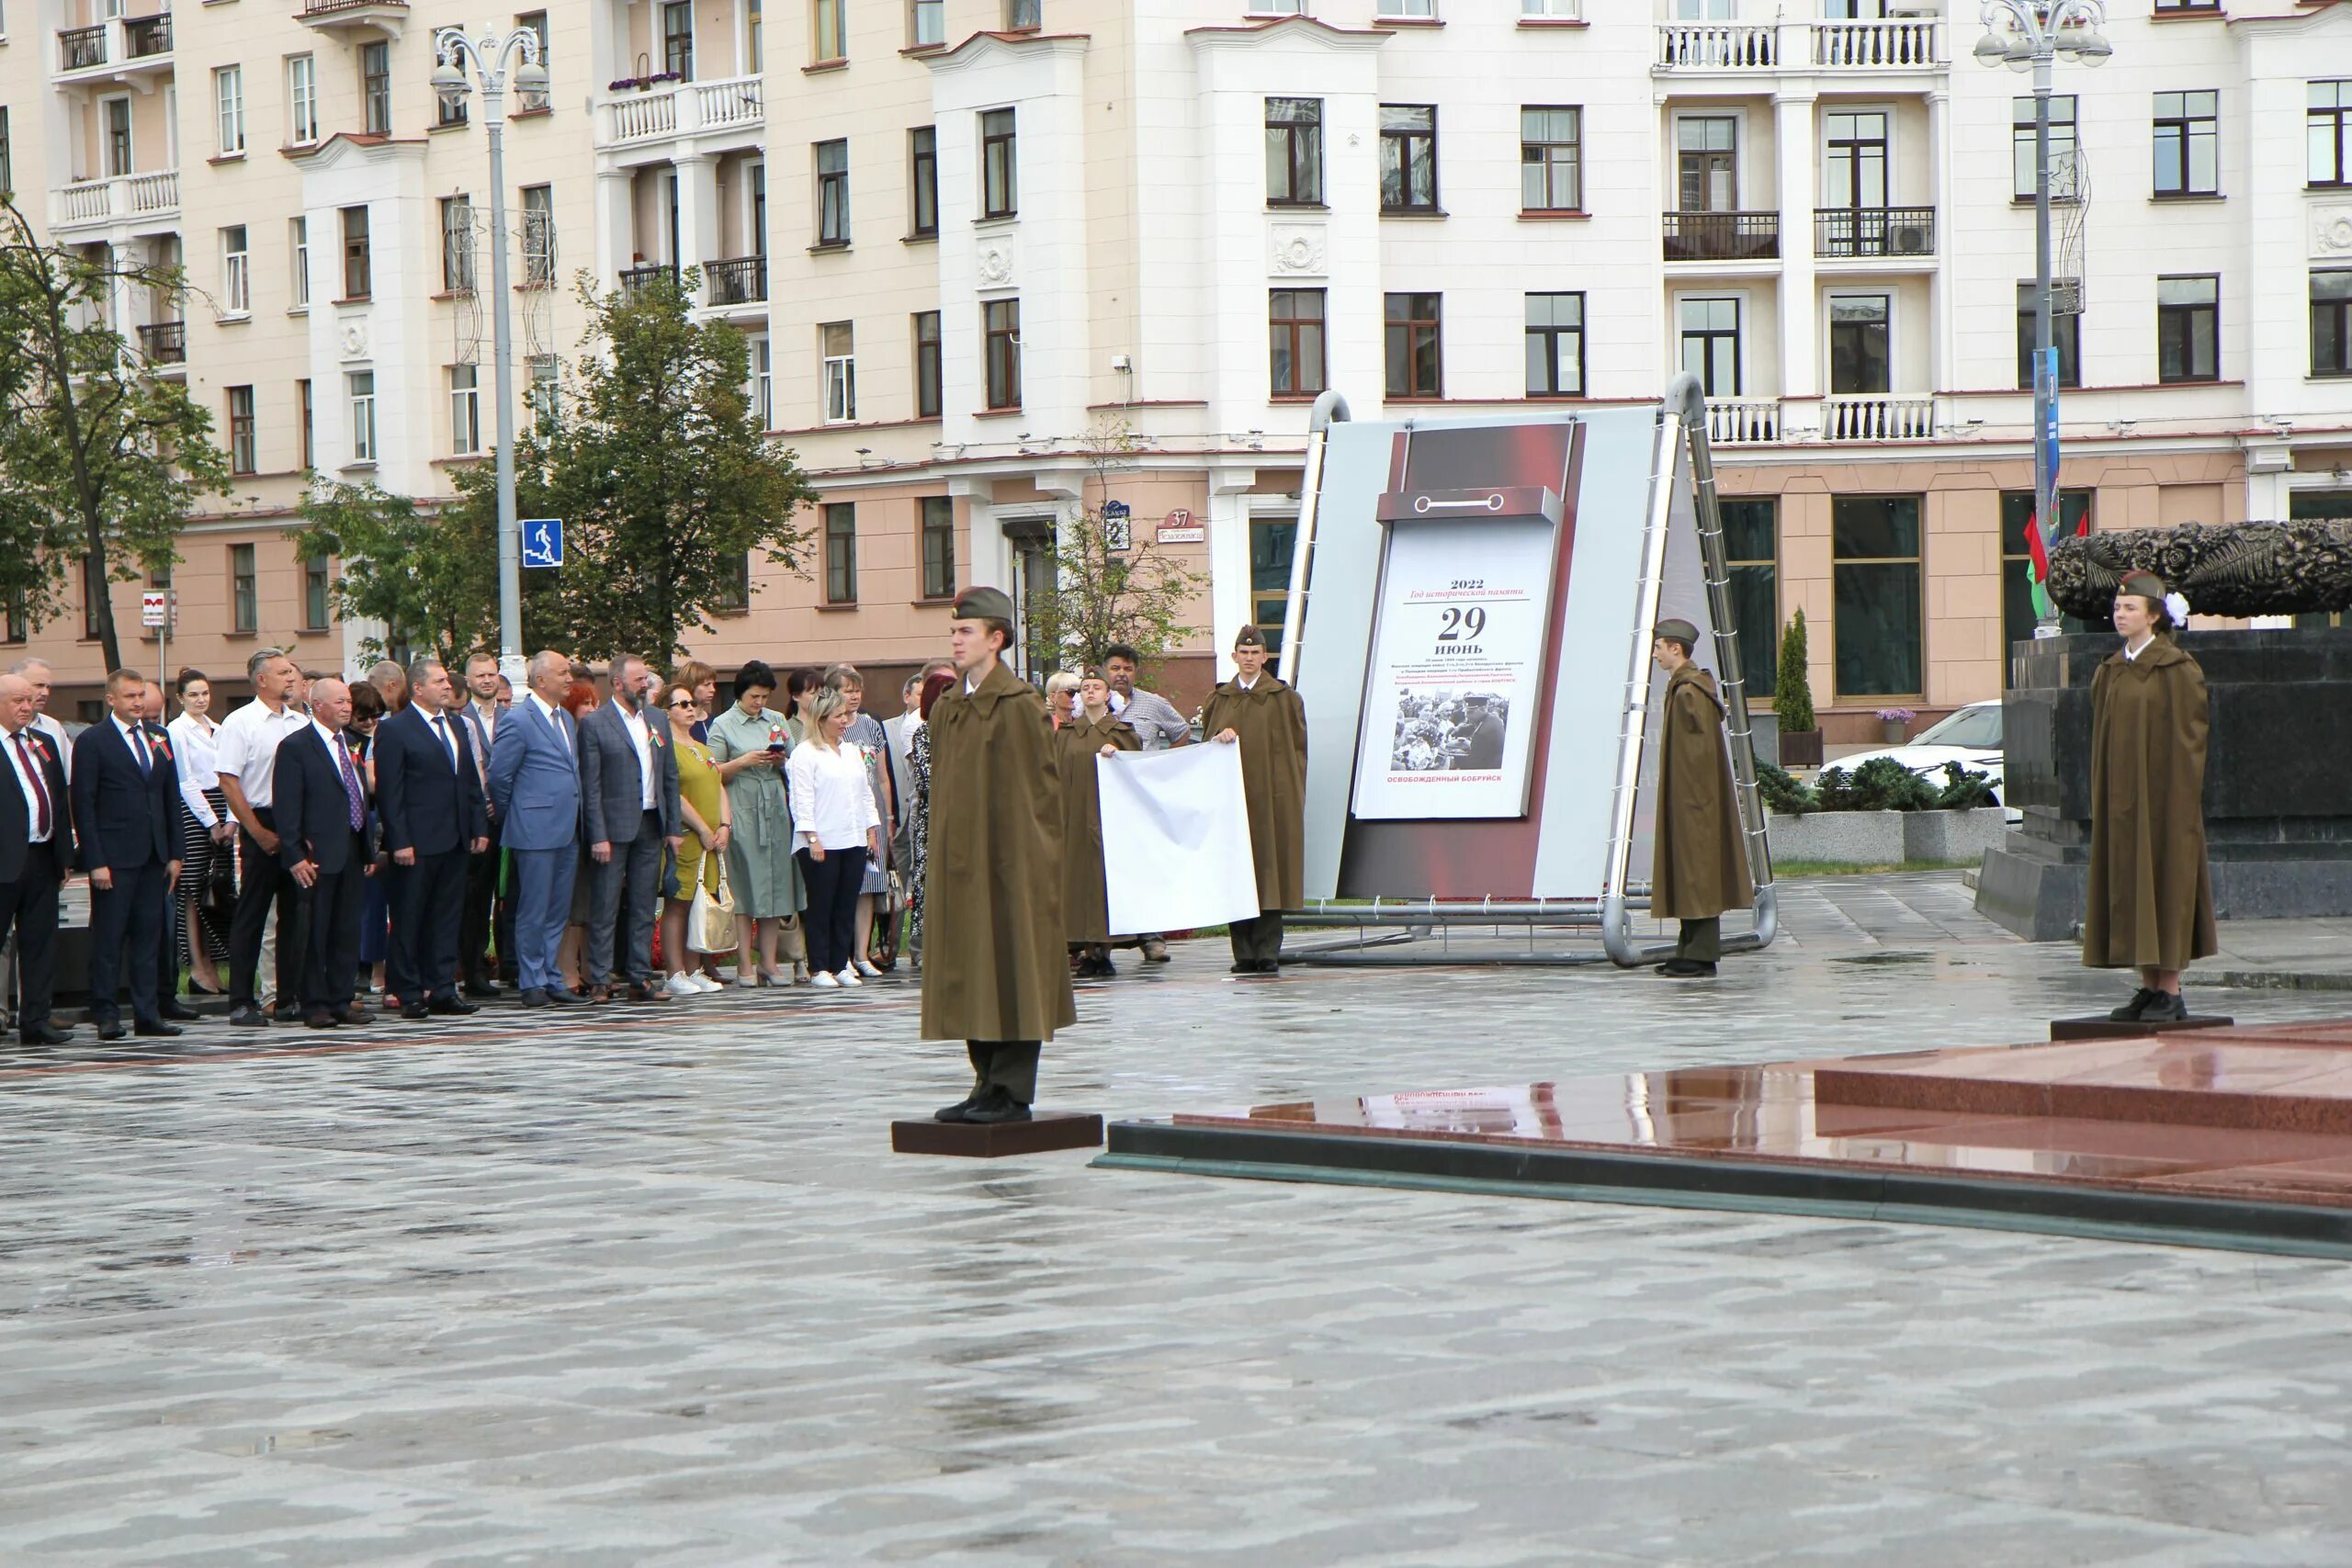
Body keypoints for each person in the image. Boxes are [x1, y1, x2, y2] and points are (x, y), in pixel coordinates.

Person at [924, 587, 1074, 1125]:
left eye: (966, 632)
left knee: (1010, 966)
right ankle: (985, 1082)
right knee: (970, 968)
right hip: (961, 864)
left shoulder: (1019, 705)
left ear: (997, 638)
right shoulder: (950, 706)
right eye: (953, 632)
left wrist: (1027, 865)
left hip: (1010, 864)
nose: (956, 640)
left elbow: (1038, 795)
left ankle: (1012, 1090)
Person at [2086, 570, 2217, 1023]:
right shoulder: (2111, 669)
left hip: (2163, 802)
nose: (2120, 615)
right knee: (2132, 882)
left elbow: (2190, 739)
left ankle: (2171, 991)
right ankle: (2148, 987)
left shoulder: (2177, 670)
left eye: (2130, 609)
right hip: (2122, 800)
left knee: (2165, 881)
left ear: (2155, 616)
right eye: (2118, 608)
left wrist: (2176, 798)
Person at [375, 659, 491, 1021]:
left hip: (455, 838)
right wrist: (400, 841)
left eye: (447, 680)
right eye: (439, 681)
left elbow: (469, 782)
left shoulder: (456, 724)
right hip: (417, 841)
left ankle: (442, 986)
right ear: (418, 688)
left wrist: (478, 828)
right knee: (410, 916)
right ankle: (407, 989)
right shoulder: (396, 729)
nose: (447, 686)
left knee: (446, 916)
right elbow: (391, 792)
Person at [73, 670, 184, 1040]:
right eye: (130, 696)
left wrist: (174, 852)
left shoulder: (159, 736)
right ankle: (105, 1012)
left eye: (141, 695)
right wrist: (95, 860)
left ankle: (147, 1012)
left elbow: (170, 796)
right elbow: (84, 804)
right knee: (109, 938)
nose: (138, 702)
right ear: (112, 700)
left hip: (153, 854)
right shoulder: (94, 741)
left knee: (148, 936)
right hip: (115, 856)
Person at [1648, 618, 1755, 979]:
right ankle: (1690, 949)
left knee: (1697, 874)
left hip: (1694, 802)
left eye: (1659, 647)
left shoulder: (1689, 692)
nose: (1655, 654)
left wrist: (1690, 804)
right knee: (1691, 873)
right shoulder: (1686, 688)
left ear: (1676, 648)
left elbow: (1697, 758)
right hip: (1691, 800)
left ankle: (1701, 953)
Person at [215, 648, 315, 1027]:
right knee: (252, 916)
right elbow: (228, 779)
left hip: (297, 824)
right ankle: (242, 1000)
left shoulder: (299, 721)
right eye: (283, 673)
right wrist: (257, 832)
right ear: (261, 680)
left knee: (296, 915)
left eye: (292, 672)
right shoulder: (241, 722)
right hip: (261, 817)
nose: (291, 679)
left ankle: (288, 997)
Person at [272, 679, 380, 1028]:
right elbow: (287, 807)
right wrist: (294, 854)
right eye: (340, 702)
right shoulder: (296, 746)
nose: (348, 708)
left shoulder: (349, 743)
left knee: (346, 928)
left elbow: (358, 794)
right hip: (316, 852)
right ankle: (313, 1001)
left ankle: (341, 997)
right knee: (315, 930)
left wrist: (366, 849)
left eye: (349, 701)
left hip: (350, 847)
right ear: (317, 705)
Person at [580, 653, 684, 1004]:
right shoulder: (596, 723)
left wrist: (673, 828)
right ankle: (598, 978)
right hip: (613, 827)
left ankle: (640, 978)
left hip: (651, 823)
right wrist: (598, 834)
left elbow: (669, 775)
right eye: (639, 679)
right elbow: (590, 785)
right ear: (618, 683)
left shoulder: (656, 719)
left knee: (643, 905)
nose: (646, 685)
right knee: (606, 904)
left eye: (647, 679)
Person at [1204, 625, 1307, 976]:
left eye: (1255, 653)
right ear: (1234, 656)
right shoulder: (1220, 700)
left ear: (1265, 657)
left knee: (1268, 871)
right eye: (1242, 653)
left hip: (1270, 802)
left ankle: (1267, 951)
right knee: (1236, 872)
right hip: (1232, 803)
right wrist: (1219, 737)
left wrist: (1289, 799)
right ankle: (1243, 951)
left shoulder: (1283, 699)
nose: (1248, 659)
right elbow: (1204, 748)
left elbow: (1296, 753)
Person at [488, 650, 587, 1007]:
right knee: (533, 907)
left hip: (567, 828)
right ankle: (531, 980)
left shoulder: (565, 718)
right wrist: (515, 815)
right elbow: (500, 776)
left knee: (558, 908)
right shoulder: (520, 719)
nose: (569, 678)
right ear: (540, 679)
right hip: (534, 828)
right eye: (562, 673)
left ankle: (550, 975)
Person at [707, 660, 803, 987]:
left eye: (764, 696)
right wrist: (743, 761)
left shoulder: (777, 720)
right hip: (742, 807)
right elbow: (712, 771)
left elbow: (796, 762)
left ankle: (770, 961)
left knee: (775, 886)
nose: (759, 703)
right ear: (741, 693)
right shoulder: (723, 723)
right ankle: (745, 963)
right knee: (745, 885)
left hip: (774, 809)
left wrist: (781, 760)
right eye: (754, 697)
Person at [788, 686, 883, 990]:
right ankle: (819, 967)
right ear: (821, 718)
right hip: (822, 841)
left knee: (846, 904)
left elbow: (865, 793)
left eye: (846, 715)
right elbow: (800, 799)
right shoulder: (805, 753)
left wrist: (871, 831)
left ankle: (841, 963)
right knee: (821, 905)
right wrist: (811, 837)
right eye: (838, 715)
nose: (845, 720)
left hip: (852, 838)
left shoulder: (852, 751)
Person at [0, 672, 75, 1044]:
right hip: (4, 861)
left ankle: (36, 1020)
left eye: (29, 700)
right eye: (18, 701)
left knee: (40, 942)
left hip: (42, 857)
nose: (27, 707)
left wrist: (65, 855)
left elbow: (59, 802)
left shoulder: (43, 743)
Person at [1101, 644, 1187, 964]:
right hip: (1104, 802)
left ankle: (1152, 937)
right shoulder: (1093, 704)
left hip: (1142, 800)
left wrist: (1163, 764)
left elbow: (1180, 732)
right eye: (1115, 668)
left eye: (1128, 668)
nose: (1121, 674)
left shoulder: (1153, 704)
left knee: (1145, 866)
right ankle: (1102, 943)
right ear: (1103, 671)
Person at [1058, 667, 1139, 978]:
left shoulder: (1121, 734)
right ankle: (1084, 950)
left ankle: (1104, 951)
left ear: (1108, 695)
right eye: (1085, 687)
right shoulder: (1065, 736)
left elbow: (1138, 771)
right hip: (1073, 822)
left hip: (1110, 823)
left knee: (1104, 884)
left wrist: (1119, 755)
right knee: (1077, 884)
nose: (1090, 691)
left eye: (1097, 687)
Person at [826, 664, 898, 976]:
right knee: (846, 884)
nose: (853, 697)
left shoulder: (870, 725)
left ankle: (862, 953)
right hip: (843, 812)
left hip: (873, 814)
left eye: (857, 690)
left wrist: (890, 816)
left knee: (870, 885)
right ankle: (839, 955)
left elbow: (883, 776)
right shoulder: (830, 728)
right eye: (847, 690)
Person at [168, 669, 234, 996]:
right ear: (181, 698)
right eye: (193, 695)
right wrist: (211, 822)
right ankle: (197, 964)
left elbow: (233, 774)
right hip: (194, 810)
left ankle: (215, 958)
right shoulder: (177, 730)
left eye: (205, 693)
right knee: (194, 888)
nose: (200, 700)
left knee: (219, 886)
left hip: (223, 803)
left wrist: (231, 819)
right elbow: (186, 780)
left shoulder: (219, 729)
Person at [661, 682, 729, 997]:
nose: (690, 708)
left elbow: (718, 786)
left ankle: (694, 968)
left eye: (691, 703)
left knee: (701, 904)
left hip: (711, 842)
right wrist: (702, 827)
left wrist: (724, 825)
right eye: (682, 704)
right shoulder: (667, 748)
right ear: (667, 711)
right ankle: (674, 971)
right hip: (688, 837)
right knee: (680, 905)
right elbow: (672, 792)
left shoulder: (702, 748)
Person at [454, 651, 508, 995]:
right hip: (476, 822)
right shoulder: (460, 718)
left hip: (509, 820)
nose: (486, 680)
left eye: (491, 675)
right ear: (468, 680)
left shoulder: (512, 716)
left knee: (509, 897)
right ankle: (472, 969)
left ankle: (509, 964)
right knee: (474, 899)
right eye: (480, 676)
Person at [904, 668, 956, 973]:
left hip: (962, 818)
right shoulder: (924, 733)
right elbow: (928, 780)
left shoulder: (965, 732)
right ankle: (921, 944)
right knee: (927, 880)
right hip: (932, 819)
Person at [347, 681, 392, 999]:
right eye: (363, 716)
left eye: (375, 716)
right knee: (362, 903)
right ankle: (359, 968)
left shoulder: (385, 736)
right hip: (360, 822)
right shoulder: (346, 741)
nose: (369, 723)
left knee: (378, 903)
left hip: (383, 823)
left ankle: (377, 968)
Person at [557, 678, 602, 997]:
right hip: (568, 828)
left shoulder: (594, 735)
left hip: (596, 827)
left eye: (595, 703)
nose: (591, 710)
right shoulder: (565, 736)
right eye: (585, 703)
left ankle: (590, 968)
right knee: (572, 906)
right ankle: (566, 969)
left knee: (591, 904)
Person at [10, 658, 74, 781]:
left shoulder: (53, 727)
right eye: (38, 685)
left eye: (48, 687)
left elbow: (69, 775)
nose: (45, 693)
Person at [673, 659, 722, 745]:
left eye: (713, 685)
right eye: (706, 685)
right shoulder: (680, 724)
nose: (713, 690)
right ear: (691, 685)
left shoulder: (716, 721)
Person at [785, 666, 823, 745]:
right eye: (813, 693)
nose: (819, 697)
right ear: (796, 696)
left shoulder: (828, 722)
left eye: (821, 693)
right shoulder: (786, 727)